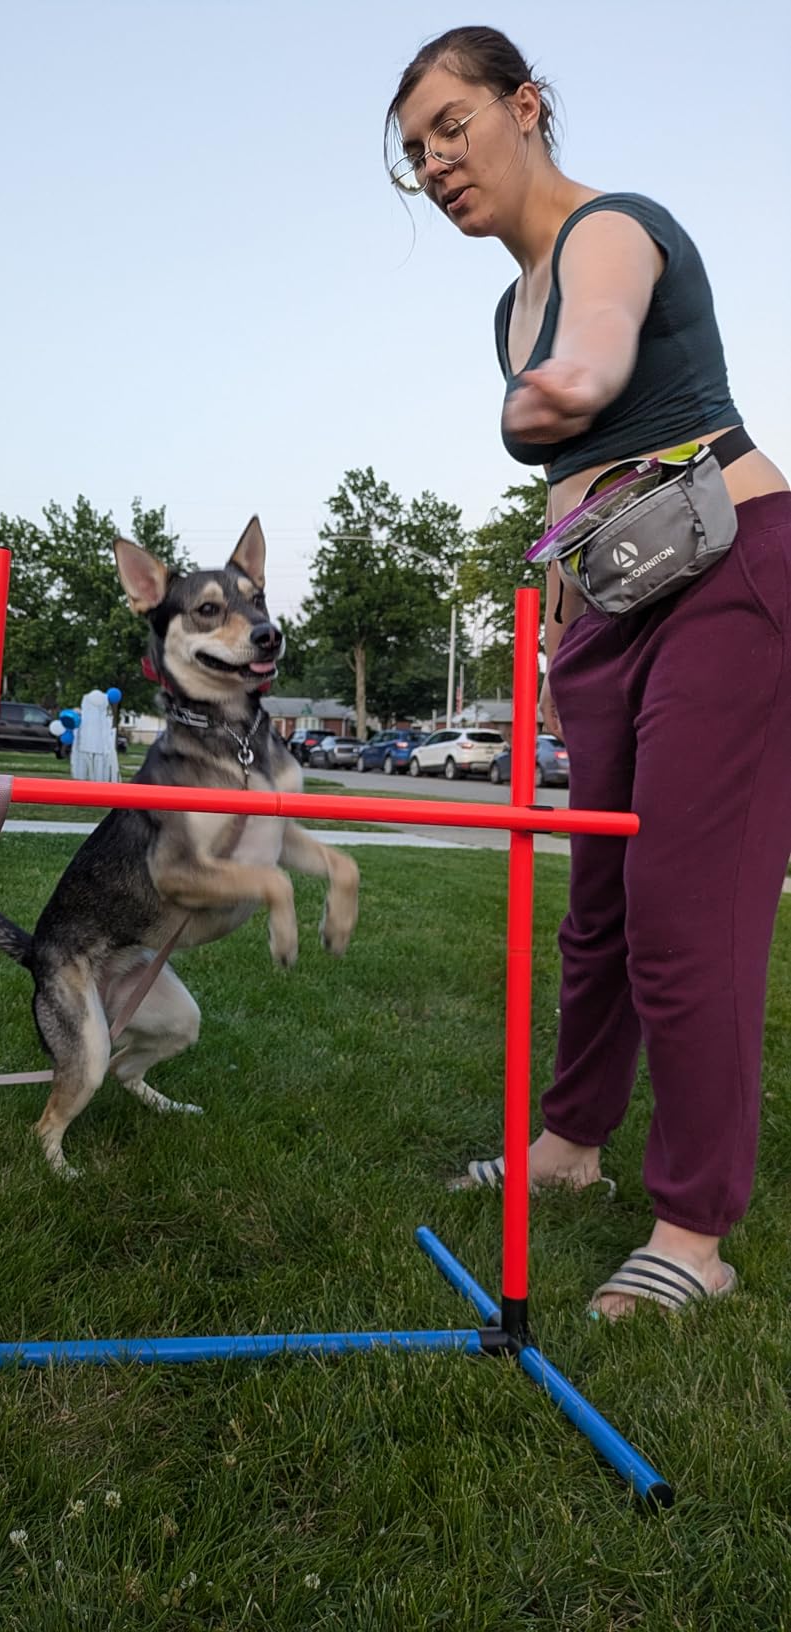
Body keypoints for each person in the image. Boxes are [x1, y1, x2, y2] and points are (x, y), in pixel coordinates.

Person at [386, 27, 791, 1317]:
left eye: (454, 125)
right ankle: (568, 1148)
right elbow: (574, 467)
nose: (438, 163)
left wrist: (562, 384)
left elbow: (599, 351)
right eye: (413, 155)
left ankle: (693, 1232)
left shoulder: (615, 227)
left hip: (727, 576)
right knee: (600, 907)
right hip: (609, 609)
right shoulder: (503, 305)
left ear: (527, 105)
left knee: (688, 907)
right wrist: (558, 574)